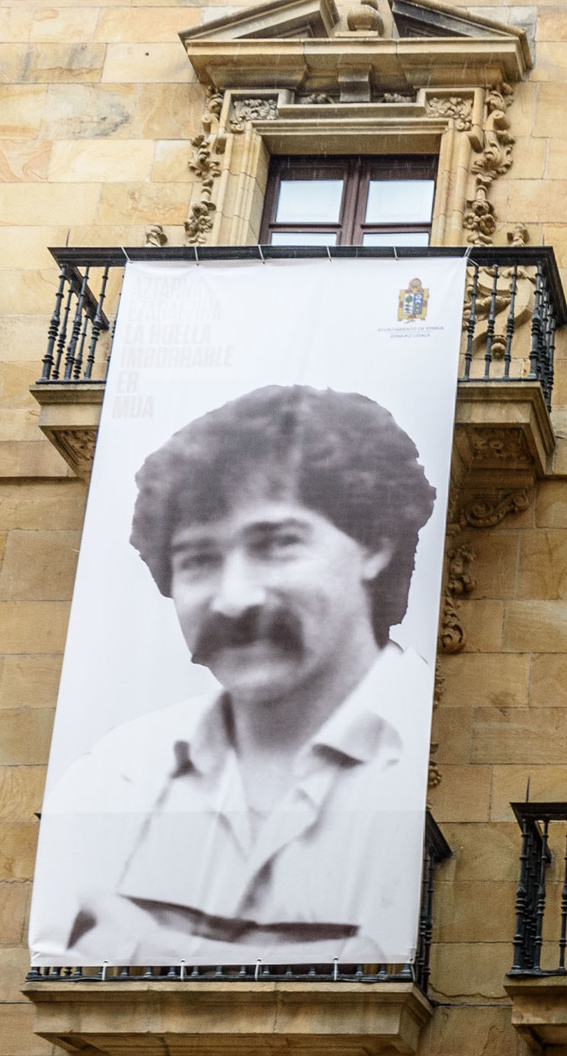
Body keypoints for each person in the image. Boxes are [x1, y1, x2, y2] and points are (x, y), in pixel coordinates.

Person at [32, 384, 440, 966]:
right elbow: (66, 949)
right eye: (198, 559)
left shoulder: (434, 744)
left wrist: (148, 939)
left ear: (374, 545)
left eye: (276, 544)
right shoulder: (117, 771)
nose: (233, 598)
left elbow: (382, 955)